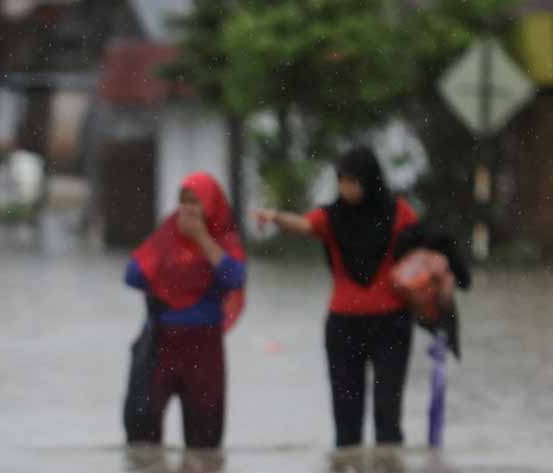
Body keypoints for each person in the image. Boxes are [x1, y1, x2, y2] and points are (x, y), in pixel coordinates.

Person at [257, 147, 420, 447]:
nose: (345, 188)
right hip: (344, 328)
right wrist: (275, 217)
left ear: (369, 180)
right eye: (341, 181)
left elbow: (423, 250)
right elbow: (304, 224)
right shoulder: (333, 217)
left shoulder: (399, 214)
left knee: (388, 417)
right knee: (346, 425)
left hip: (392, 326)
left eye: (351, 181)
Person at [121, 172, 247, 448]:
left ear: (211, 206)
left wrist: (202, 240)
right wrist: (170, 265)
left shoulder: (224, 241)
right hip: (160, 346)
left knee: (205, 445)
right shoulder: (167, 236)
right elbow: (132, 274)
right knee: (143, 439)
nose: (188, 209)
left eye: (196, 202)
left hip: (203, 350)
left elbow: (234, 278)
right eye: (183, 201)